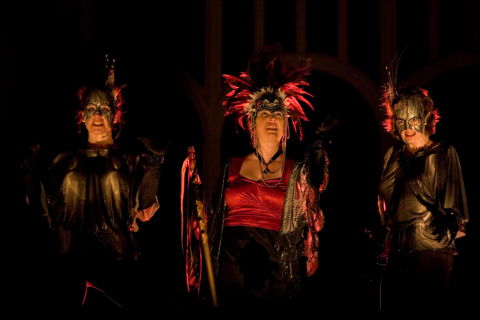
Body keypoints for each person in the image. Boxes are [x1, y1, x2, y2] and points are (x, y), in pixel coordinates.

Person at [22, 57, 165, 311]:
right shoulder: (61, 162)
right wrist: (30, 169)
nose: (98, 114)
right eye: (92, 108)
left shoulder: (130, 160)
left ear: (114, 116)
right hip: (70, 265)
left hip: (117, 266)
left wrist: (155, 160)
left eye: (104, 109)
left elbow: (144, 205)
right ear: (83, 116)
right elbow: (41, 206)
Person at [207, 46, 329, 309]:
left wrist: (318, 159)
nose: (272, 118)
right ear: (252, 122)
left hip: (277, 266)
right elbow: (210, 217)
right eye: (264, 113)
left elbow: (313, 213)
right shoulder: (232, 165)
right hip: (231, 263)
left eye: (277, 113)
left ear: (286, 122)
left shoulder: (298, 169)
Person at [377, 85, 469, 314]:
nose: (407, 127)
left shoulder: (443, 153)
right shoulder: (393, 155)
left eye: (414, 118)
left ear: (426, 118)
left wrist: (450, 221)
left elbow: (454, 208)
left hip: (430, 247)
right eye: (401, 120)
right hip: (397, 248)